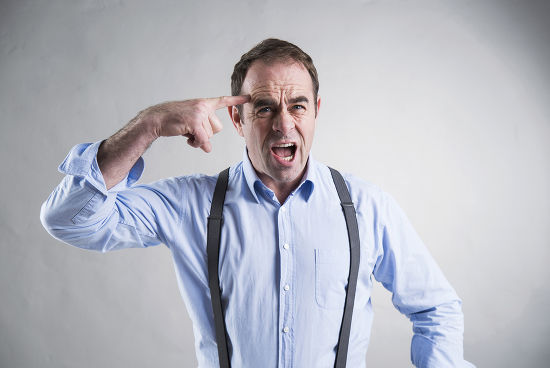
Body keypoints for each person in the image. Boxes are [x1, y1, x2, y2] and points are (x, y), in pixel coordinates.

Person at [40, 38, 474, 367]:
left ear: (316, 110)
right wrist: (149, 124)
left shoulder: (365, 207)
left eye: (298, 106)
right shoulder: (192, 204)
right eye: (264, 108)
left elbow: (436, 308)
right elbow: (69, 219)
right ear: (237, 118)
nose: (284, 125)